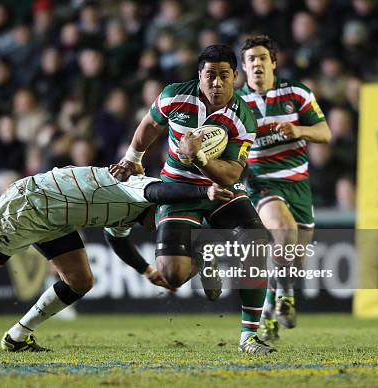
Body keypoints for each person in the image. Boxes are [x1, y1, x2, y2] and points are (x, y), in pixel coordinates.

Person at [0, 165, 234, 351]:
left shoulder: (130, 217)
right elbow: (162, 190)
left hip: (56, 217)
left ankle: (18, 337)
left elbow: (117, 242)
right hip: (29, 205)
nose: (163, 231)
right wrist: (205, 189)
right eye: (166, 223)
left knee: (82, 281)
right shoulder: (138, 188)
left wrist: (147, 269)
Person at [110, 45, 274, 353]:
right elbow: (150, 124)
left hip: (220, 189)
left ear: (235, 77)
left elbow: (230, 175)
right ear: (198, 75)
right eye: (209, 75)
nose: (216, 83)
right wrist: (133, 157)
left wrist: (197, 156)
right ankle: (203, 253)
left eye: (224, 76)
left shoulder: (243, 118)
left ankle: (248, 338)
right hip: (178, 189)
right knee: (173, 276)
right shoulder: (175, 95)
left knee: (256, 242)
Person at [236, 35, 331, 341]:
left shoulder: (297, 92)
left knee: (291, 259)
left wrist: (297, 130)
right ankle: (286, 298)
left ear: (273, 62)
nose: (257, 64)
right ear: (243, 67)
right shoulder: (237, 104)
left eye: (262, 58)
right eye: (250, 60)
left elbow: (324, 132)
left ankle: (269, 314)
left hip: (298, 183)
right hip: (260, 181)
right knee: (283, 231)